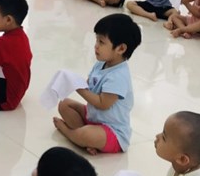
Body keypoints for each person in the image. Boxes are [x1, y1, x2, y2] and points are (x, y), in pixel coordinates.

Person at [53, 14, 141, 155]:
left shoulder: (118, 76)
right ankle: (86, 140)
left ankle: (69, 132)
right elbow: (90, 85)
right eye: (96, 40)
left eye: (101, 42)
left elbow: (102, 103)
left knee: (87, 134)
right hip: (93, 116)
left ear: (121, 49)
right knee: (65, 104)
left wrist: (78, 87)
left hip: (112, 131)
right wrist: (73, 79)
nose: (96, 46)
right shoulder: (101, 63)